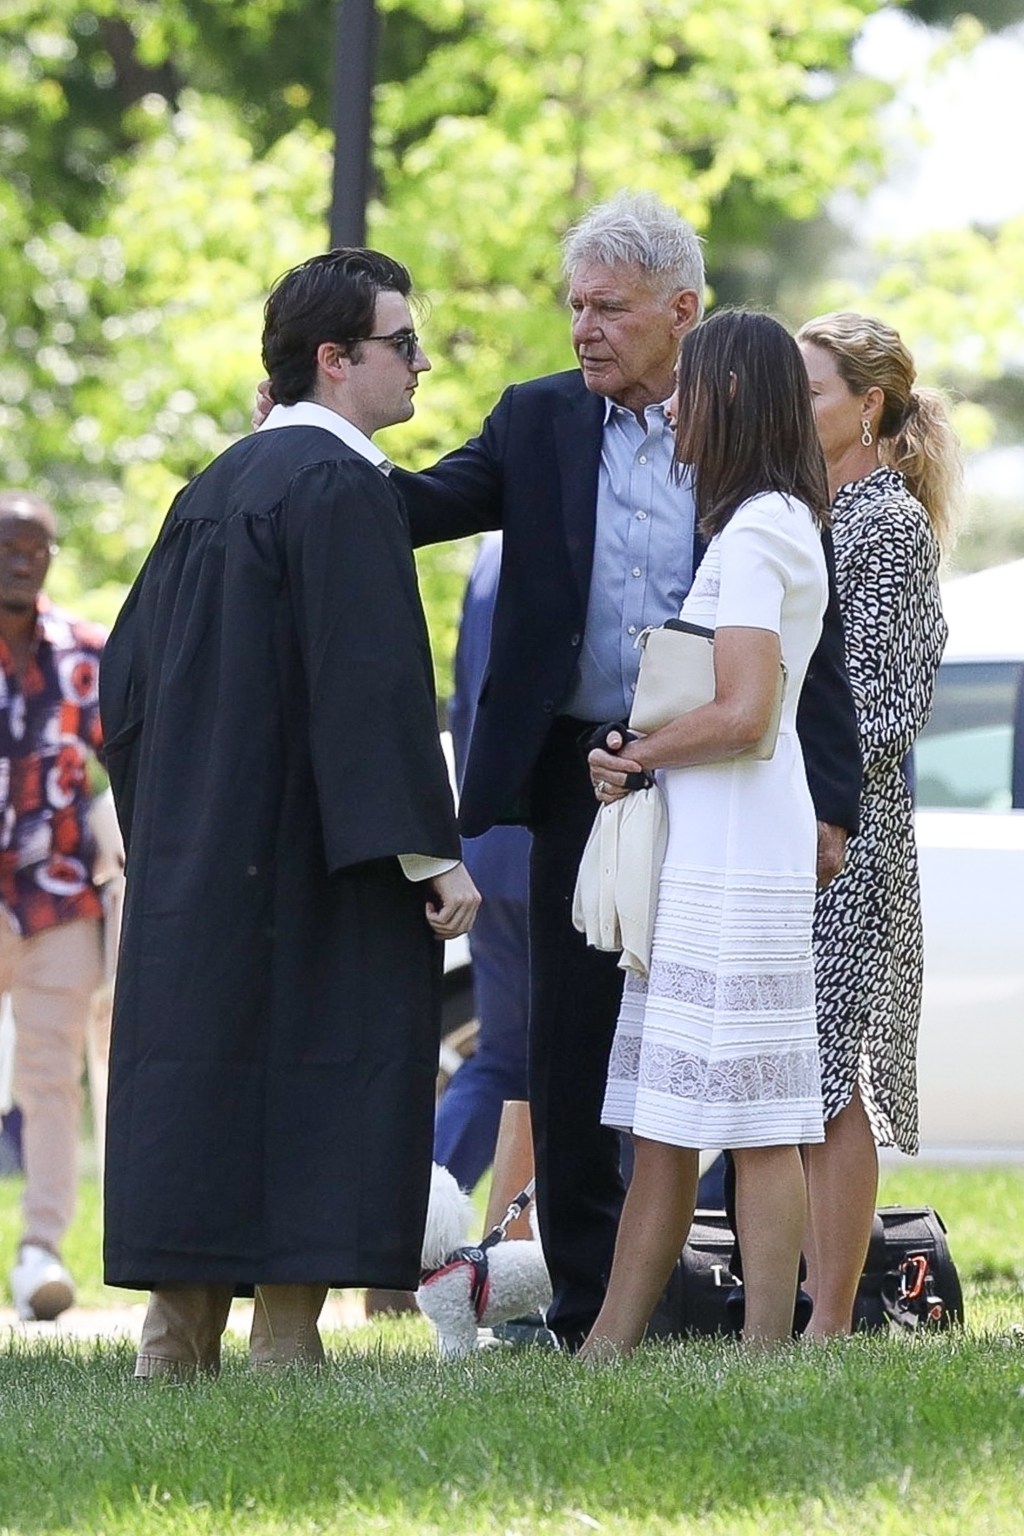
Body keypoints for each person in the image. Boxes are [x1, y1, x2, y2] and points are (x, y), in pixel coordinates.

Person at [390, 192, 862, 1349]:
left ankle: (704, 1318)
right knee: (578, 1039)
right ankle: (590, 1307)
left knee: (714, 1056)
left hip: (721, 787)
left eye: (608, 308)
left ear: (680, 312)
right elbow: (421, 503)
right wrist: (314, 443)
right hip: (579, 772)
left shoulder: (754, 476)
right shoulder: (539, 420)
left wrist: (833, 805)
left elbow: (814, 652)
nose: (583, 329)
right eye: (574, 307)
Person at [100, 248, 480, 1378]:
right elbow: (368, 690)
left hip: (199, 857)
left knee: (202, 1076)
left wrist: (172, 825)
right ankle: (282, 1342)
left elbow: (121, 691)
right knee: (326, 1070)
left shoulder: (210, 489)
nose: (417, 363)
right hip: (317, 862)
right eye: (400, 343)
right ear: (335, 359)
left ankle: (173, 1342)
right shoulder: (337, 487)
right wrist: (429, 857)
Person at [577, 309, 832, 1355]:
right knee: (667, 1120)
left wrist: (635, 756)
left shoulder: (761, 527)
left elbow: (742, 711)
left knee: (757, 1119)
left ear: (729, 394)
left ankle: (767, 1351)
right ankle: (604, 1350)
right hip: (715, 850)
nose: (669, 403)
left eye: (688, 384)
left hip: (737, 860)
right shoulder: (758, 523)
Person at [796, 312, 958, 1336]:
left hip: (848, 825)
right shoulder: (816, 511)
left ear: (866, 405)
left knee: (823, 1070)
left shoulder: (883, 525)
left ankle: (828, 1315)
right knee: (799, 1065)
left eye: (807, 391)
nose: (787, 408)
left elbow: (885, 704)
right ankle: (802, 1299)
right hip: (807, 813)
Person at [0, 490, 105, 1322]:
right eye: (7, 545)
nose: (21, 559)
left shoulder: (84, 654)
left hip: (57, 901)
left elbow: (134, 761)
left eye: (36, 547)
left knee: (49, 1080)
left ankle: (39, 1255)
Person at [433, 532, 531, 1191]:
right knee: (597, 1063)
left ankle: (406, 1224)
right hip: (567, 851)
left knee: (502, 1058)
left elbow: (465, 704)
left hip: (492, 847)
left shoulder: (493, 550)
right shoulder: (599, 529)